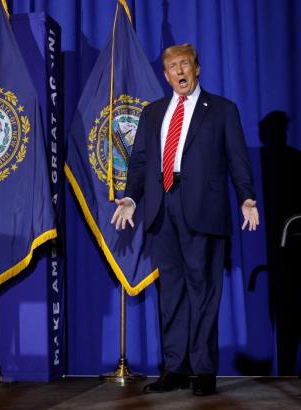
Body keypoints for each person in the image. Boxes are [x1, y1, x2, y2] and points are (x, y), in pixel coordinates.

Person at [111, 43, 259, 396]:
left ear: (197, 69)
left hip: (202, 209)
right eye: (172, 67)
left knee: (203, 290)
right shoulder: (152, 113)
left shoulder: (221, 110)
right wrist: (131, 197)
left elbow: (238, 159)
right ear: (165, 75)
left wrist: (247, 198)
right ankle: (175, 368)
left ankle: (203, 370)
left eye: (185, 65)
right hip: (162, 209)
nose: (179, 71)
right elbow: (140, 162)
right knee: (172, 292)